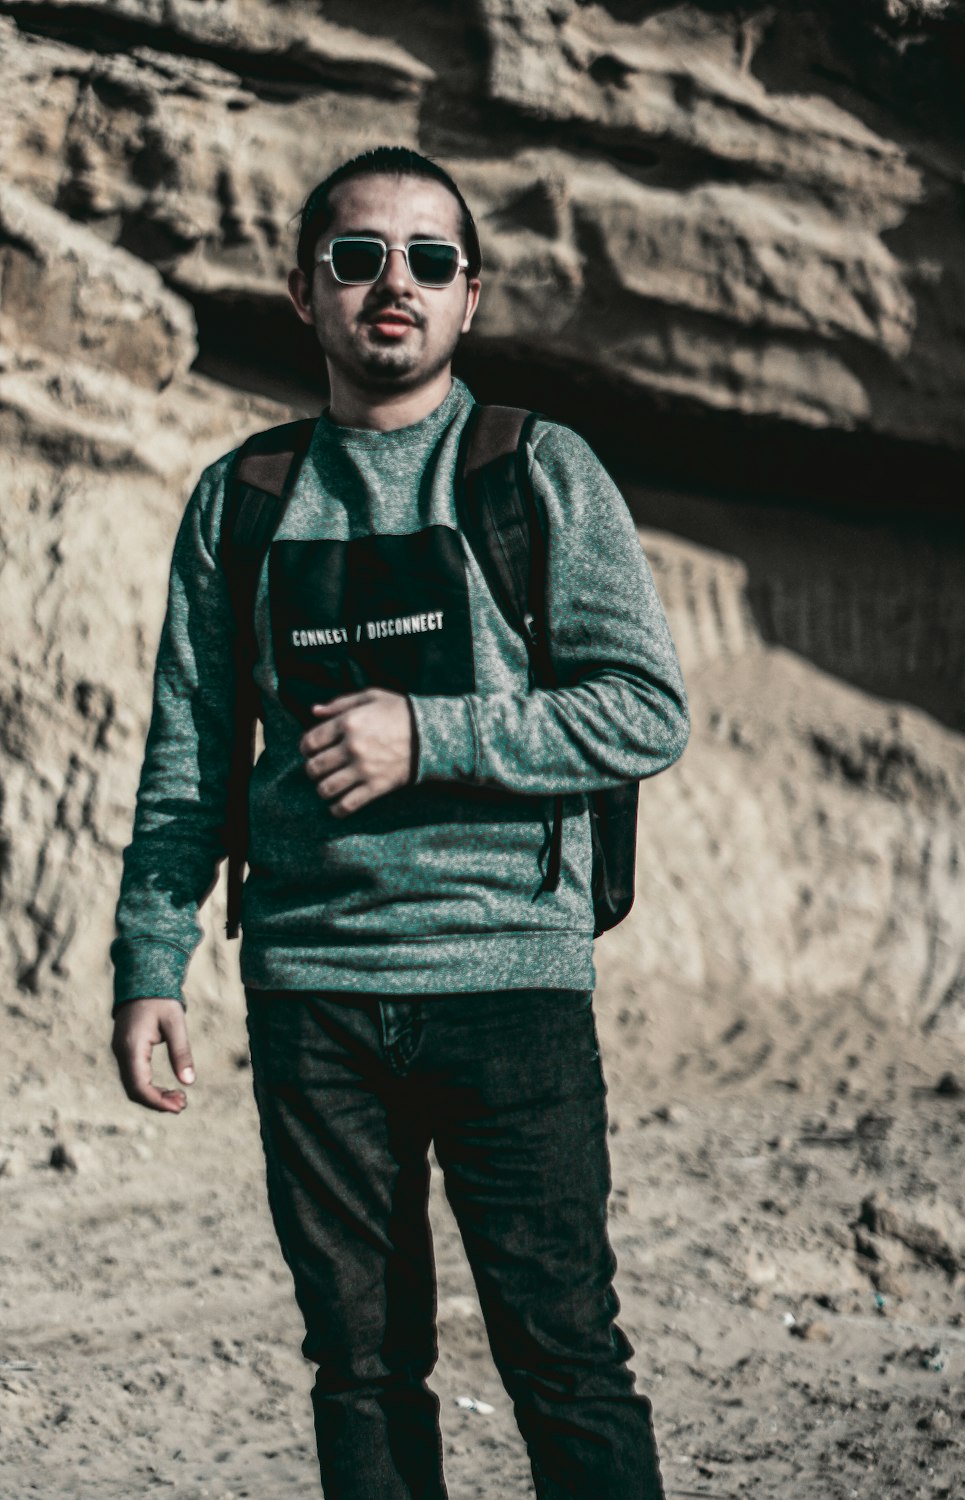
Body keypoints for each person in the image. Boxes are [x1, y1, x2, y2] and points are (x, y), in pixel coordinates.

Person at [110, 144, 690, 1500]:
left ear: (470, 296)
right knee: (360, 1368)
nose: (394, 284)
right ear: (303, 291)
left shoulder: (535, 473)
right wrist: (152, 961)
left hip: (509, 984)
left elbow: (646, 711)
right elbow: (188, 756)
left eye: (430, 259)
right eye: (356, 256)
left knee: (564, 1355)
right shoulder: (242, 501)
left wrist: (428, 732)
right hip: (312, 996)